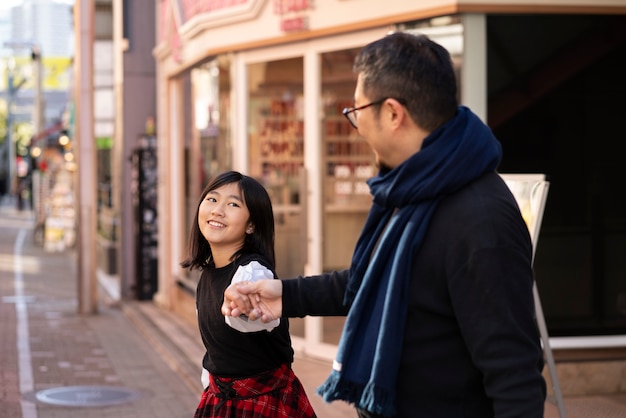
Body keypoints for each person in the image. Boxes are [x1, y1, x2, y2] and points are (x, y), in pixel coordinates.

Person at [222, 32, 546, 418]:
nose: (355, 124)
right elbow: (364, 282)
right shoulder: (408, 191)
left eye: (357, 111)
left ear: (393, 113)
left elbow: (516, 377)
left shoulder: (480, 219)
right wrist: (283, 296)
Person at [181, 171, 316, 418]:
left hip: (265, 405)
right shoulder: (208, 274)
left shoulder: (253, 272)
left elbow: (251, 313)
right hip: (220, 401)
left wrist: (243, 304)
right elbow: (215, 354)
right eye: (212, 199)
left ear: (251, 225)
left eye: (232, 204)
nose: (217, 210)